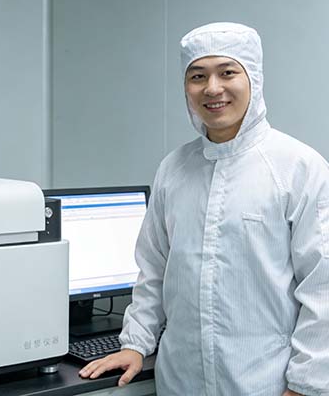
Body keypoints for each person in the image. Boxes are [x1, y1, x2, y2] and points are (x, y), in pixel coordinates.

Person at [79, 22, 329, 396]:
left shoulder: (298, 168)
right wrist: (135, 343)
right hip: (180, 381)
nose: (212, 88)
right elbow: (154, 270)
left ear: (254, 78)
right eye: (198, 76)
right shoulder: (173, 169)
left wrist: (306, 385)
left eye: (227, 72)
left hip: (264, 383)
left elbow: (322, 287)